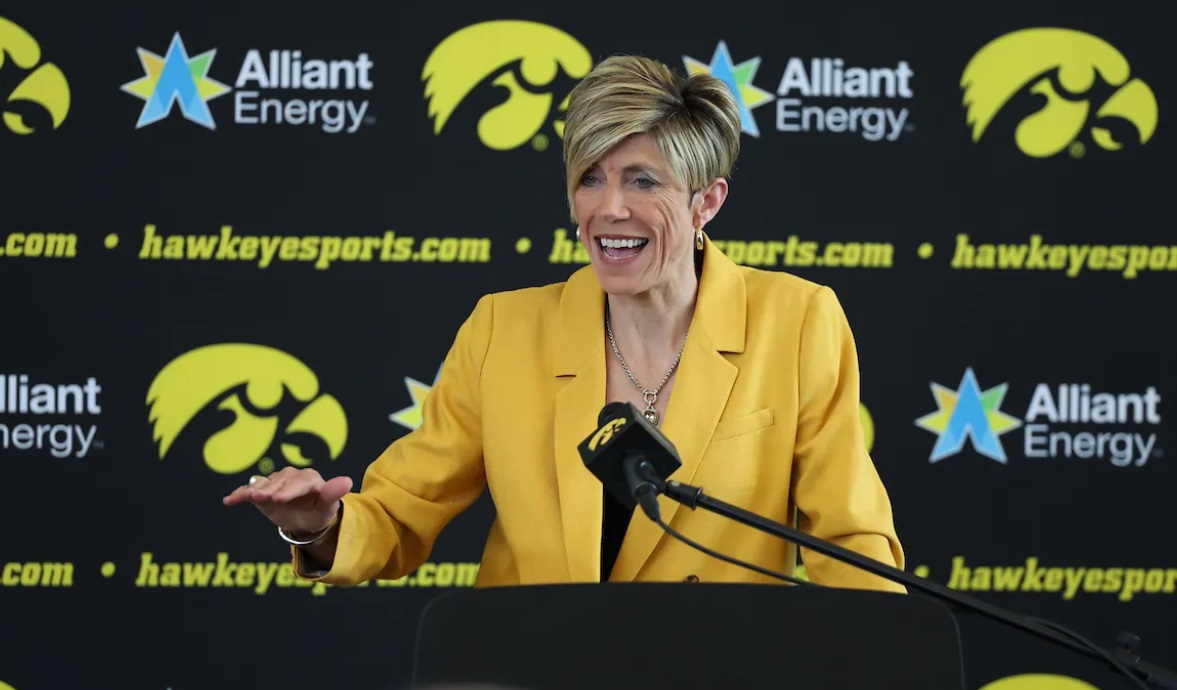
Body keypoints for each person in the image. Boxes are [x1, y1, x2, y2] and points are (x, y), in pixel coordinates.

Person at [223, 54, 906, 592]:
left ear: (706, 202)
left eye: (642, 181)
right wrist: (320, 527)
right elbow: (399, 514)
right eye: (589, 178)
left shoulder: (794, 320)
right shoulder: (504, 330)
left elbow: (849, 540)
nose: (608, 208)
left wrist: (883, 657)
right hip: (534, 667)